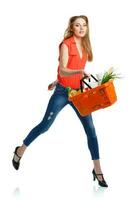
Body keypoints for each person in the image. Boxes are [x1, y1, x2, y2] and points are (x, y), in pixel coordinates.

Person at [12, 15, 108, 187]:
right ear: (72, 28)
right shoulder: (65, 44)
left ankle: (97, 170)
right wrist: (70, 76)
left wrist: (62, 77)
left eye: (84, 25)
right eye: (77, 25)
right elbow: (64, 70)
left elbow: (67, 70)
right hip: (63, 93)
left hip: (79, 94)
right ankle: (20, 150)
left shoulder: (85, 45)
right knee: (45, 125)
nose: (81, 28)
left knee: (91, 130)